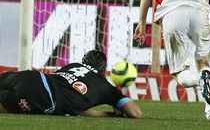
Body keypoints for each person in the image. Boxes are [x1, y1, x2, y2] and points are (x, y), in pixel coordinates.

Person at [0, 50, 141, 118]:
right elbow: (136, 113)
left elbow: (75, 105)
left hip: (32, 76)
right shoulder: (107, 89)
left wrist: (106, 113)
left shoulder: (72, 66)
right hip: (43, 97)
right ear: (103, 69)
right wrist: (115, 105)